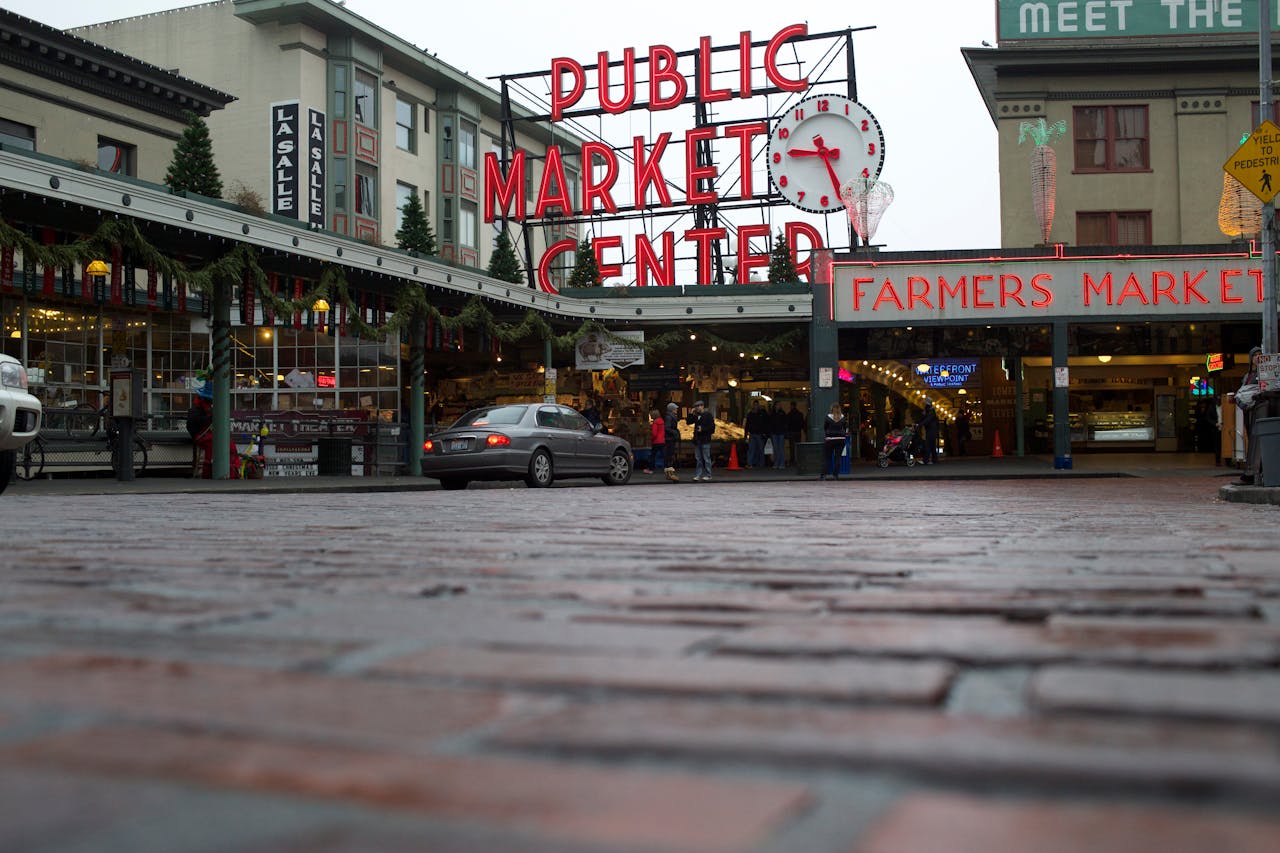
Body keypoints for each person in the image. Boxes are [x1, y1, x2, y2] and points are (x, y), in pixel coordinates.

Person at [1236, 345, 1279, 485]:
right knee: (1252, 440)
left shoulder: (1265, 374)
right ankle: (1253, 471)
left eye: (1259, 355)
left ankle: (1255, 471)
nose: (1257, 357)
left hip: (1261, 409)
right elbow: (1243, 393)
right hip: (1249, 411)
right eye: (1255, 355)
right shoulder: (1247, 376)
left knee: (1259, 440)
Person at [687, 399, 715, 481]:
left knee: (706, 458)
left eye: (698, 406)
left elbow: (712, 428)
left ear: (702, 406)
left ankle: (708, 474)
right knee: (698, 458)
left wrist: (703, 429)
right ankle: (698, 474)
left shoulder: (708, 415)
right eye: (696, 407)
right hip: (697, 440)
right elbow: (688, 422)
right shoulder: (696, 416)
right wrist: (691, 413)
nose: (697, 408)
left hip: (705, 439)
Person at [820, 402, 848, 480]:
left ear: (831, 409)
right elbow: (845, 428)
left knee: (827, 458)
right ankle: (835, 475)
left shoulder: (828, 417)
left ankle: (824, 475)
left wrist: (828, 433)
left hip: (830, 439)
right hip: (841, 439)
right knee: (837, 458)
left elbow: (825, 427)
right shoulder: (843, 417)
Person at [744, 399, 767, 468]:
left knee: (756, 449)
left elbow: (763, 423)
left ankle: (756, 463)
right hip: (754, 433)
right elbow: (747, 424)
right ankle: (753, 463)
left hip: (758, 433)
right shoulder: (755, 414)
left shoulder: (753, 414)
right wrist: (746, 433)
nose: (755, 406)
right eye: (755, 405)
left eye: (756, 405)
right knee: (755, 449)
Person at [663, 401, 681, 482]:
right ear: (672, 409)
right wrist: (675, 432)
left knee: (670, 455)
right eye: (675, 408)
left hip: (670, 438)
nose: (676, 410)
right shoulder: (669, 417)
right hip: (670, 439)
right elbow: (667, 427)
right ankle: (670, 474)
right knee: (670, 455)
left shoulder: (671, 416)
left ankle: (669, 473)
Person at [919, 399, 940, 465]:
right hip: (933, 430)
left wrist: (919, 424)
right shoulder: (931, 410)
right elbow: (926, 418)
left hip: (931, 430)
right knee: (932, 446)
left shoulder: (929, 410)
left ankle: (926, 460)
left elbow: (927, 419)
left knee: (928, 445)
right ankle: (935, 459)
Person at [769, 402, 788, 469]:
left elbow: (785, 423)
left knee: (780, 448)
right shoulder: (775, 414)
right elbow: (770, 423)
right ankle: (778, 463)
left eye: (779, 405)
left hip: (779, 432)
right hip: (776, 432)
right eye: (777, 405)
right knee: (777, 449)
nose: (778, 406)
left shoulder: (781, 413)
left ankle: (780, 463)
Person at [646, 408, 664, 475]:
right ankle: (667, 468)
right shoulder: (662, 421)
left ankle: (651, 469)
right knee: (664, 455)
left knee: (652, 456)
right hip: (662, 441)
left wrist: (652, 439)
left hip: (656, 441)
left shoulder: (655, 423)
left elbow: (654, 433)